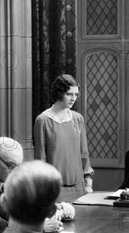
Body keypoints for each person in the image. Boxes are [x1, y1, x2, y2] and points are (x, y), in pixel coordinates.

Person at [0, 136, 76, 232]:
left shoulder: (13, 183)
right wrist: (37, 227)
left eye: (18, 166)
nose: (15, 172)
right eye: (11, 165)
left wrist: (59, 208)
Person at [34, 74, 94, 202]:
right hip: (54, 189)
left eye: (76, 95)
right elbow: (40, 157)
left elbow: (84, 153)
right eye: (69, 94)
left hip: (79, 188)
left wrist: (88, 182)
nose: (73, 99)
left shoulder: (78, 118)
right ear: (59, 93)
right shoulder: (43, 120)